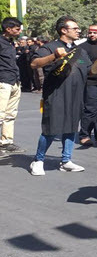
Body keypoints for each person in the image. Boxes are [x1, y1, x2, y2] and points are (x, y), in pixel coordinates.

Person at [29, 16, 90, 176]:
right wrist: (54, 56)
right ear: (64, 30)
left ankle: (66, 160)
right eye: (75, 28)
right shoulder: (50, 47)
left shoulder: (80, 50)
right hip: (56, 93)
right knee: (51, 128)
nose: (78, 31)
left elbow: (89, 68)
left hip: (76, 94)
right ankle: (38, 160)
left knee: (71, 127)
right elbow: (34, 64)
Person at [0, 17, 24, 155]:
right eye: (17, 29)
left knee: (10, 114)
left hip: (14, 81)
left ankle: (6, 142)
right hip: (3, 81)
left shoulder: (10, 43)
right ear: (8, 29)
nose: (20, 31)